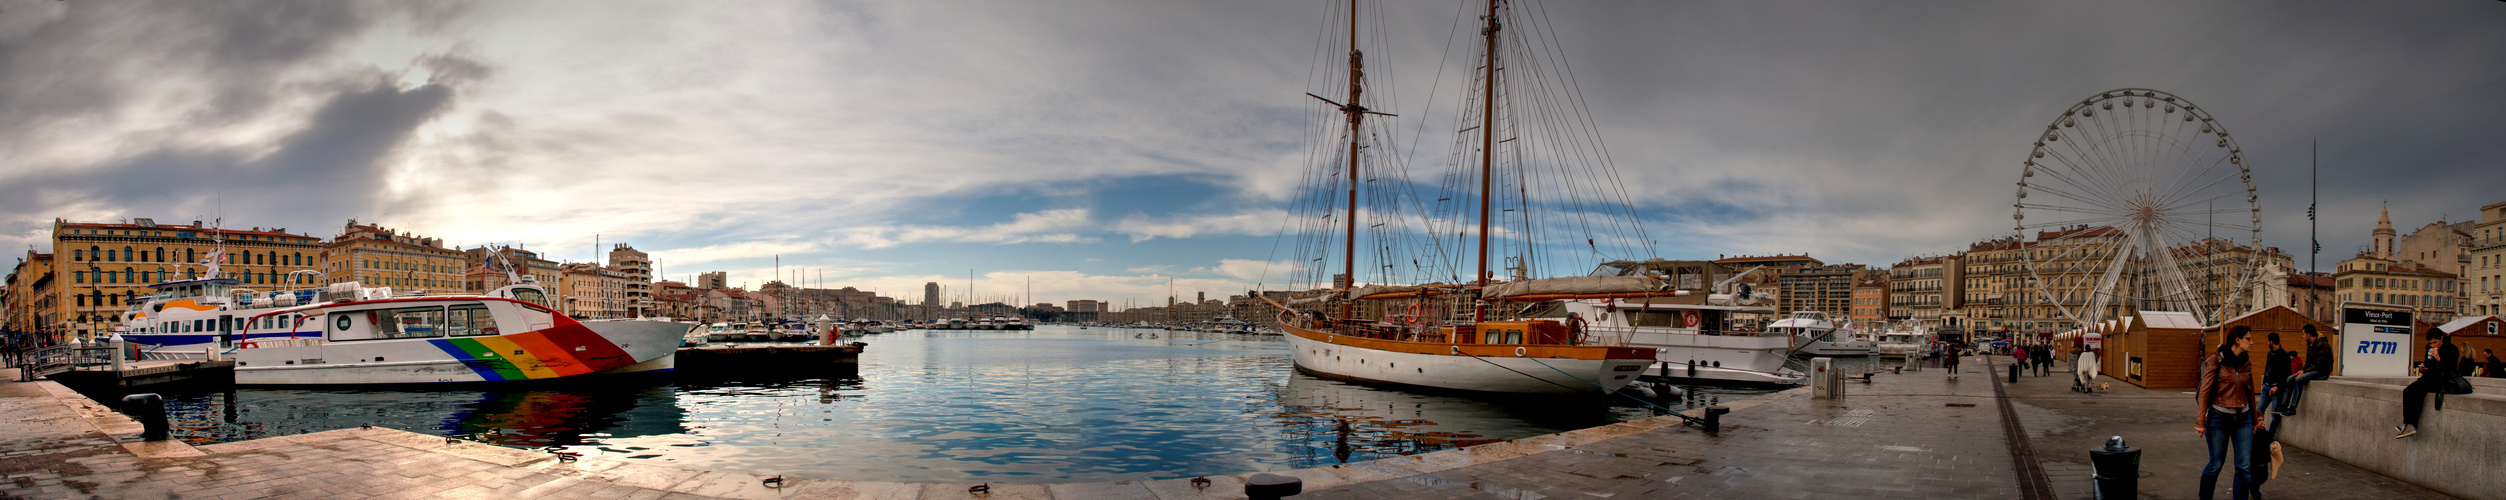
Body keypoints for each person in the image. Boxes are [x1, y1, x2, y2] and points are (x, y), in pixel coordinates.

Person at [2196, 326, 2260, 500]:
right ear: (2237, 340)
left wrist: (2255, 419)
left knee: (2244, 467)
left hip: (2243, 418)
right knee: (2215, 465)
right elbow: (2204, 391)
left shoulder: (2247, 363)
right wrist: (2200, 421)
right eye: (2248, 338)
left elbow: (2251, 393)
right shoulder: (2215, 361)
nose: (2252, 342)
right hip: (2219, 417)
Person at [2396, 329, 2462, 439]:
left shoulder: (2452, 349)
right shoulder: (2429, 348)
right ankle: (2407, 424)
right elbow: (2428, 364)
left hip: (2443, 379)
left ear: (2441, 338)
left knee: (2417, 392)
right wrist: (2423, 368)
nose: (2432, 345)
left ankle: (2411, 424)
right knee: (2407, 391)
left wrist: (2439, 358)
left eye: (2435, 342)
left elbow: (2451, 369)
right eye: (2430, 343)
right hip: (2429, 377)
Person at [2276, 326, 2333, 416]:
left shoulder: (2323, 345)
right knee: (2290, 378)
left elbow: (2318, 365)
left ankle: (2292, 408)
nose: (2302, 336)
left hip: (2322, 372)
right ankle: (2283, 406)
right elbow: (2308, 363)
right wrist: (2302, 370)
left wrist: (2304, 371)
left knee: (2299, 380)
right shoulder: (2310, 345)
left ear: (2308, 334)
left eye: (2303, 334)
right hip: (2312, 370)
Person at [2258, 332, 2294, 425]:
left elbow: (2287, 374)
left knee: (2275, 413)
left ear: (2271, 342)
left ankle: (2271, 434)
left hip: (2276, 388)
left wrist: (2278, 386)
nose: (2267, 343)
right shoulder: (2270, 354)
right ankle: (2259, 432)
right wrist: (2264, 382)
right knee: (2258, 411)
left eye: (2267, 341)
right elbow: (2267, 368)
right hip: (2267, 386)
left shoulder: (2284, 355)